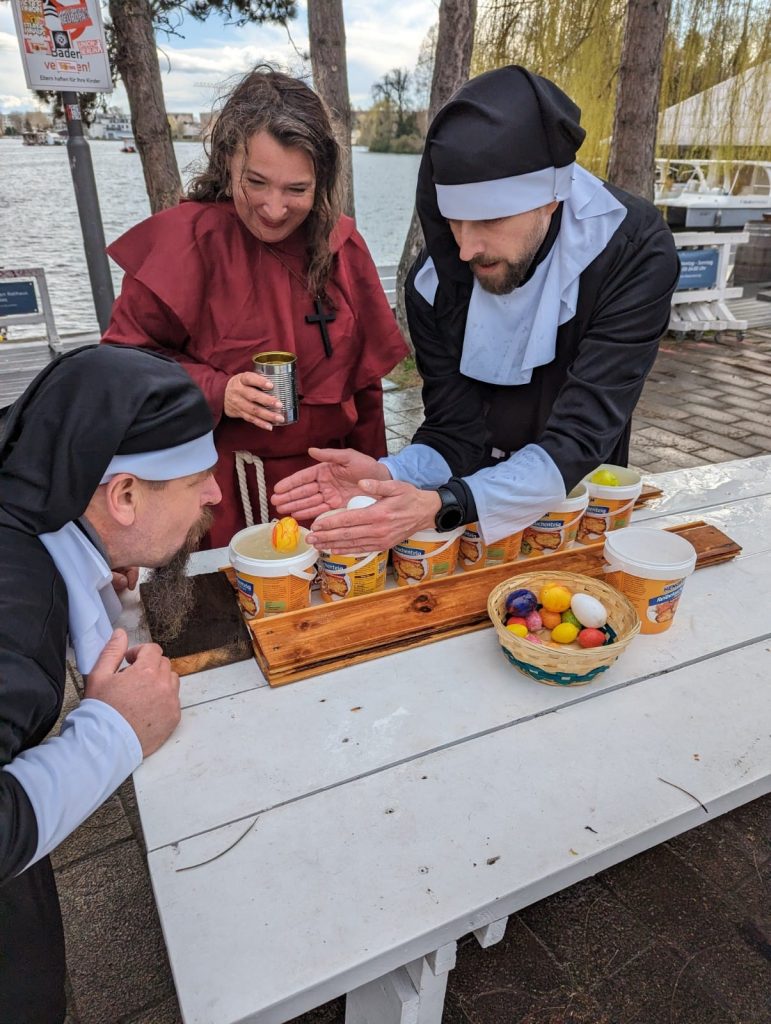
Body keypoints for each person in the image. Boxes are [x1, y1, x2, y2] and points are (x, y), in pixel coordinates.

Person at [272, 66, 680, 553]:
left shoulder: (633, 254)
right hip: (461, 515)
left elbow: (580, 436)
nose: (466, 249)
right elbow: (456, 431)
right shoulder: (436, 282)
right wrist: (389, 474)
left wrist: (444, 503)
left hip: (580, 502)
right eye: (454, 221)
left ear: (552, 197)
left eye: (490, 219)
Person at [0, 345, 222, 1024]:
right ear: (124, 496)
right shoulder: (15, 608)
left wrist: (92, 562)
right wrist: (114, 731)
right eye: (197, 479)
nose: (216, 495)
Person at [103, 67, 407, 548]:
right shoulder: (185, 244)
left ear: (322, 180)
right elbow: (122, 368)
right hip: (219, 496)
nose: (274, 208)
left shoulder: (343, 249)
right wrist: (216, 390)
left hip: (328, 492)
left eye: (297, 189)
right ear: (228, 160)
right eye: (257, 182)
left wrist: (372, 493)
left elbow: (366, 392)